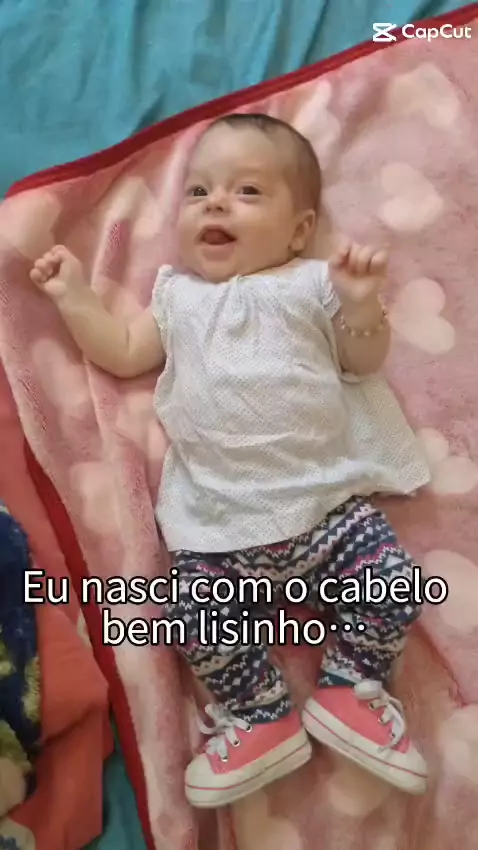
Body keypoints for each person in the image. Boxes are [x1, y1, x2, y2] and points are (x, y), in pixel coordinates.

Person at [30, 113, 429, 808]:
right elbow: (121, 351)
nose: (215, 203)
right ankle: (261, 714)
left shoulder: (311, 283)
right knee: (191, 616)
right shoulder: (176, 297)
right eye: (198, 192)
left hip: (326, 507)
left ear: (299, 230)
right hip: (218, 525)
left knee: (392, 583)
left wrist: (363, 306)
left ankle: (351, 689)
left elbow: (361, 362)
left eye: (247, 192)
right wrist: (75, 297)